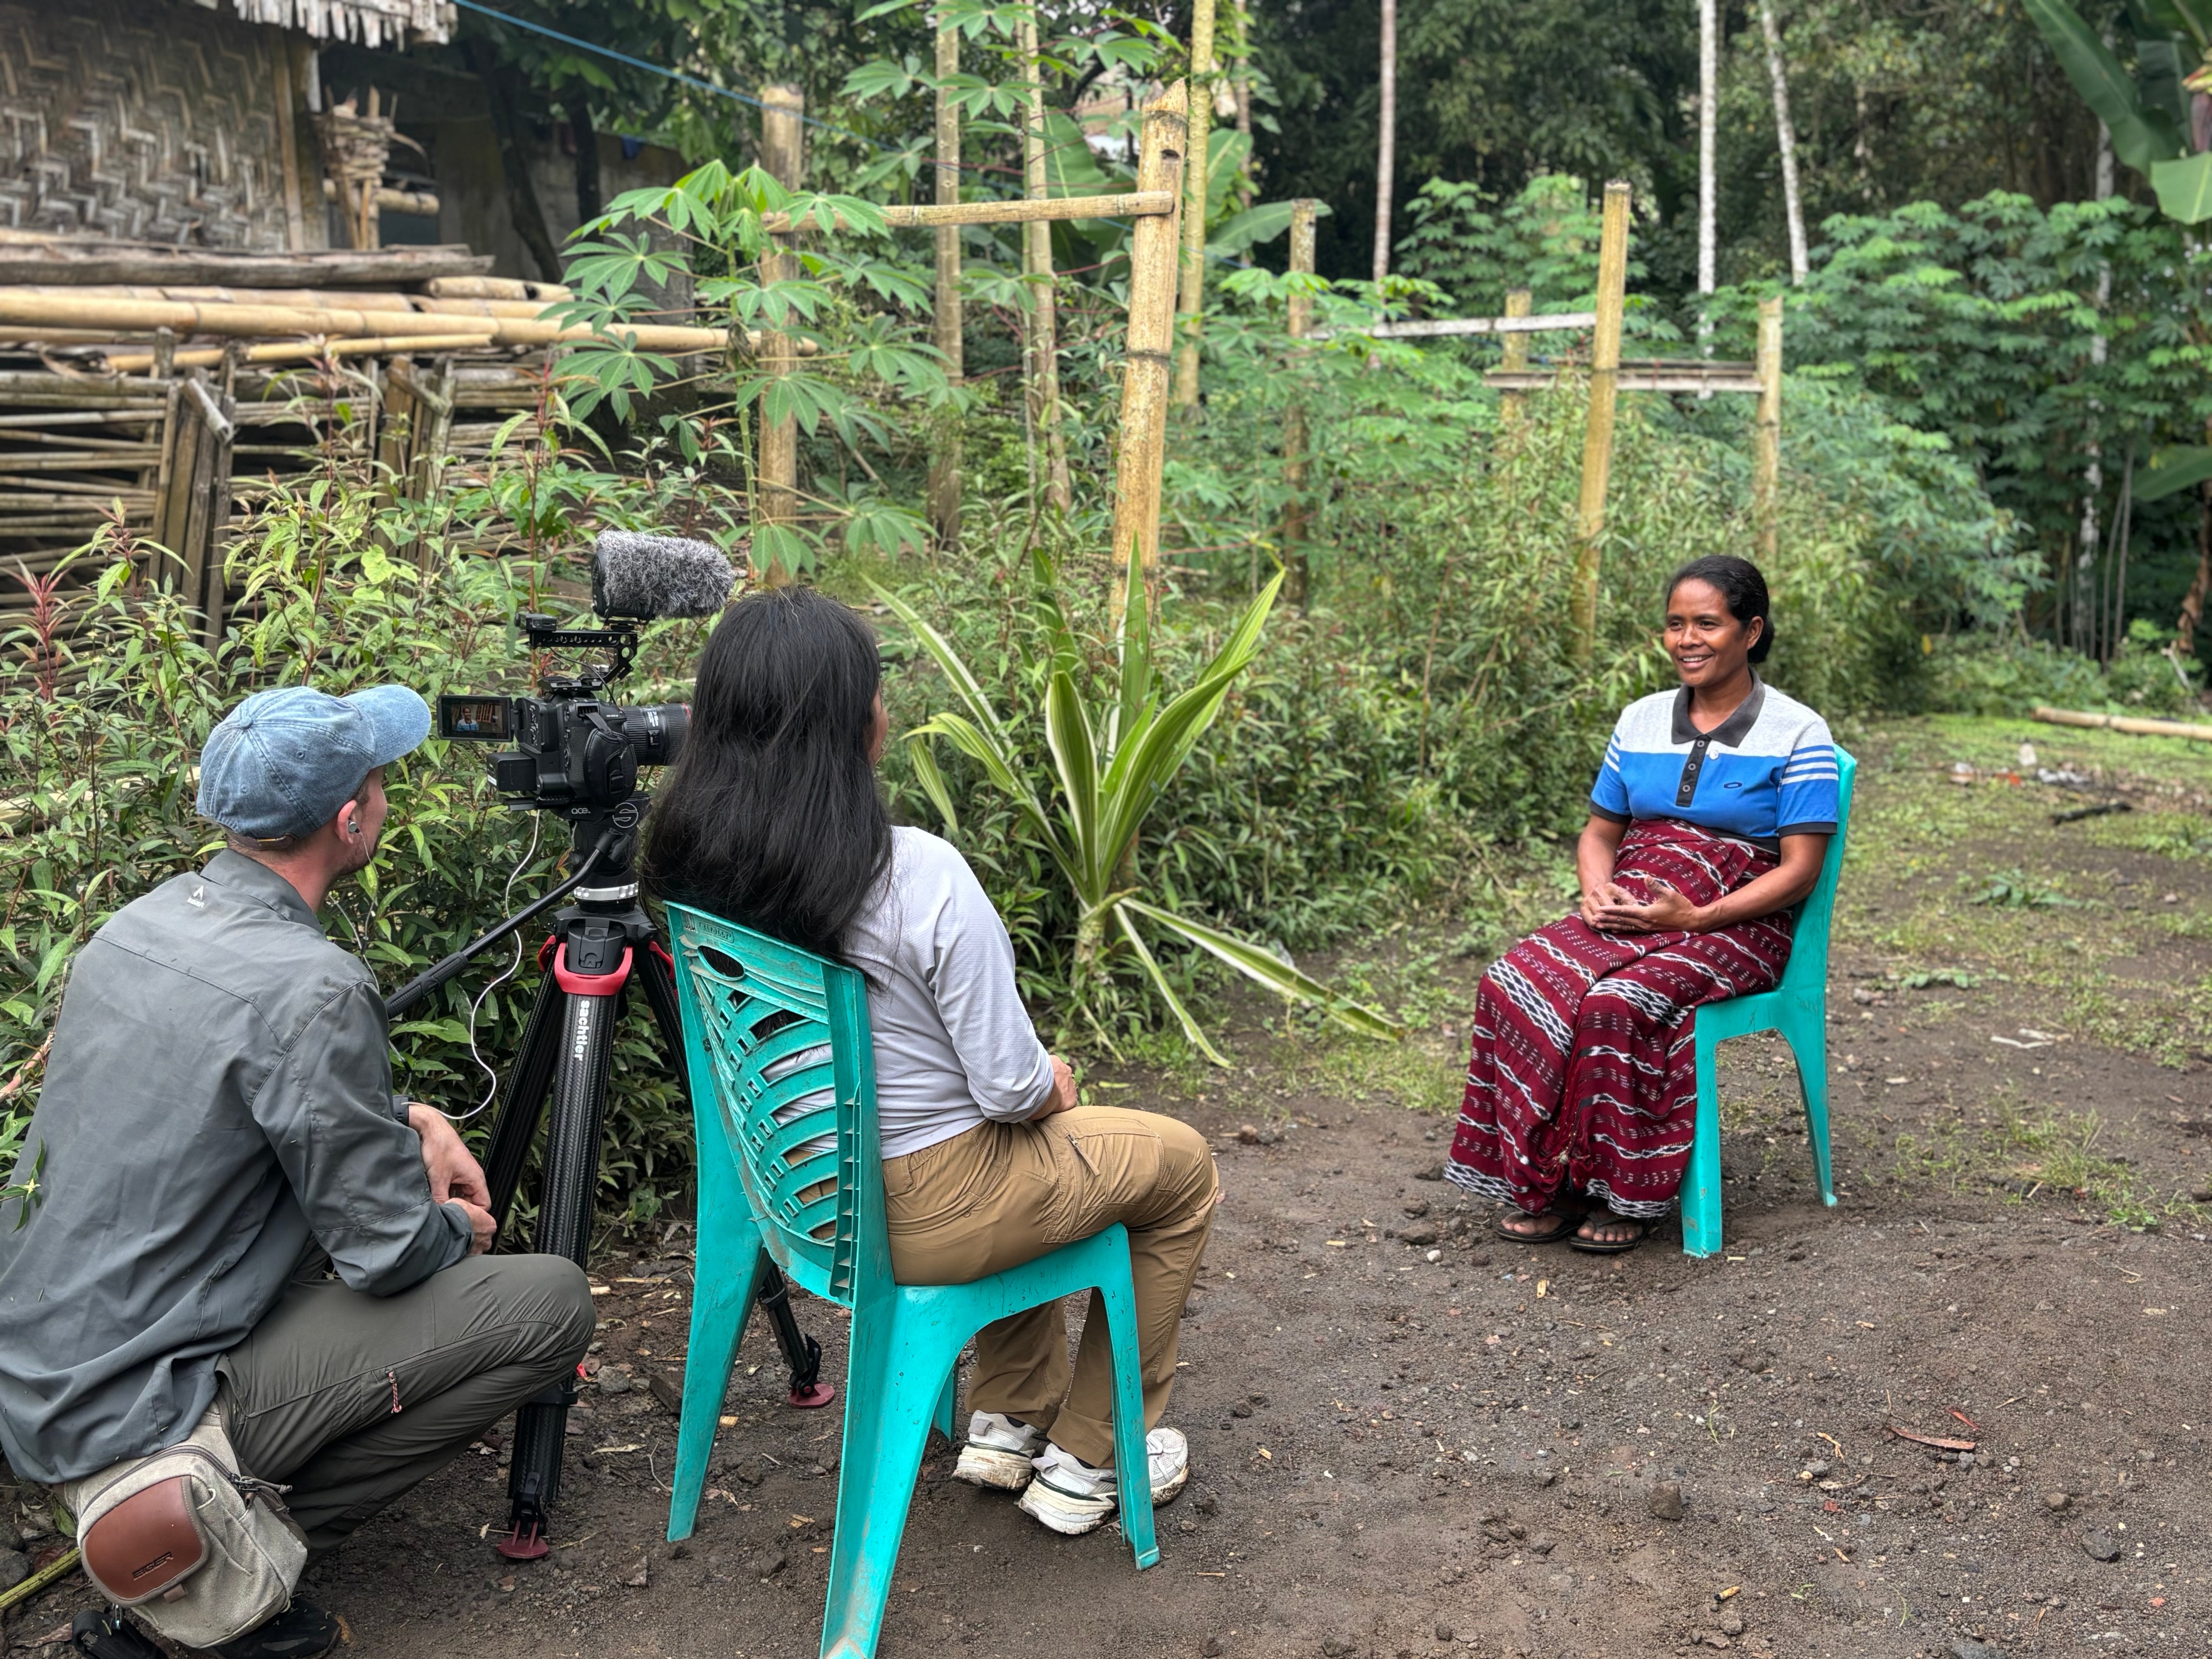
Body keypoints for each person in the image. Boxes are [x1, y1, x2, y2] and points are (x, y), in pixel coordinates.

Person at [0, 686, 597, 1659]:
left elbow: (219, 1103)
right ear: (349, 819)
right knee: (551, 1302)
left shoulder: (142, 925)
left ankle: (181, 1523)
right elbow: (388, 1254)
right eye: (378, 779)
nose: (384, 794)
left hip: (40, 1371)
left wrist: (407, 1118)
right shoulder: (312, 985)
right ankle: (197, 1560)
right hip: (138, 1404)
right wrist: (460, 1230)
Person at [644, 586, 1217, 1538]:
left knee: (1010, 1139)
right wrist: (1054, 1084)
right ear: (857, 728)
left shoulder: (698, 872)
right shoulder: (916, 872)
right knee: (1174, 1164)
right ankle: (1091, 1455)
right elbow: (1009, 1085)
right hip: (930, 1212)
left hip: (806, 1203)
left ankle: (1008, 1415)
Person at [1444, 556, 1838, 1253]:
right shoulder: (1641, 720)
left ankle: (1626, 1190)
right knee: (1515, 980)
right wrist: (1598, 890)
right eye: (1675, 624)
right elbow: (1600, 834)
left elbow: (1801, 871)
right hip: (1634, 903)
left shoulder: (1798, 733)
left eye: (1707, 624)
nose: (1688, 639)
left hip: (1740, 922)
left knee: (1619, 1002)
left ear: (1751, 631)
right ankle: (1554, 1179)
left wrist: (1696, 917)